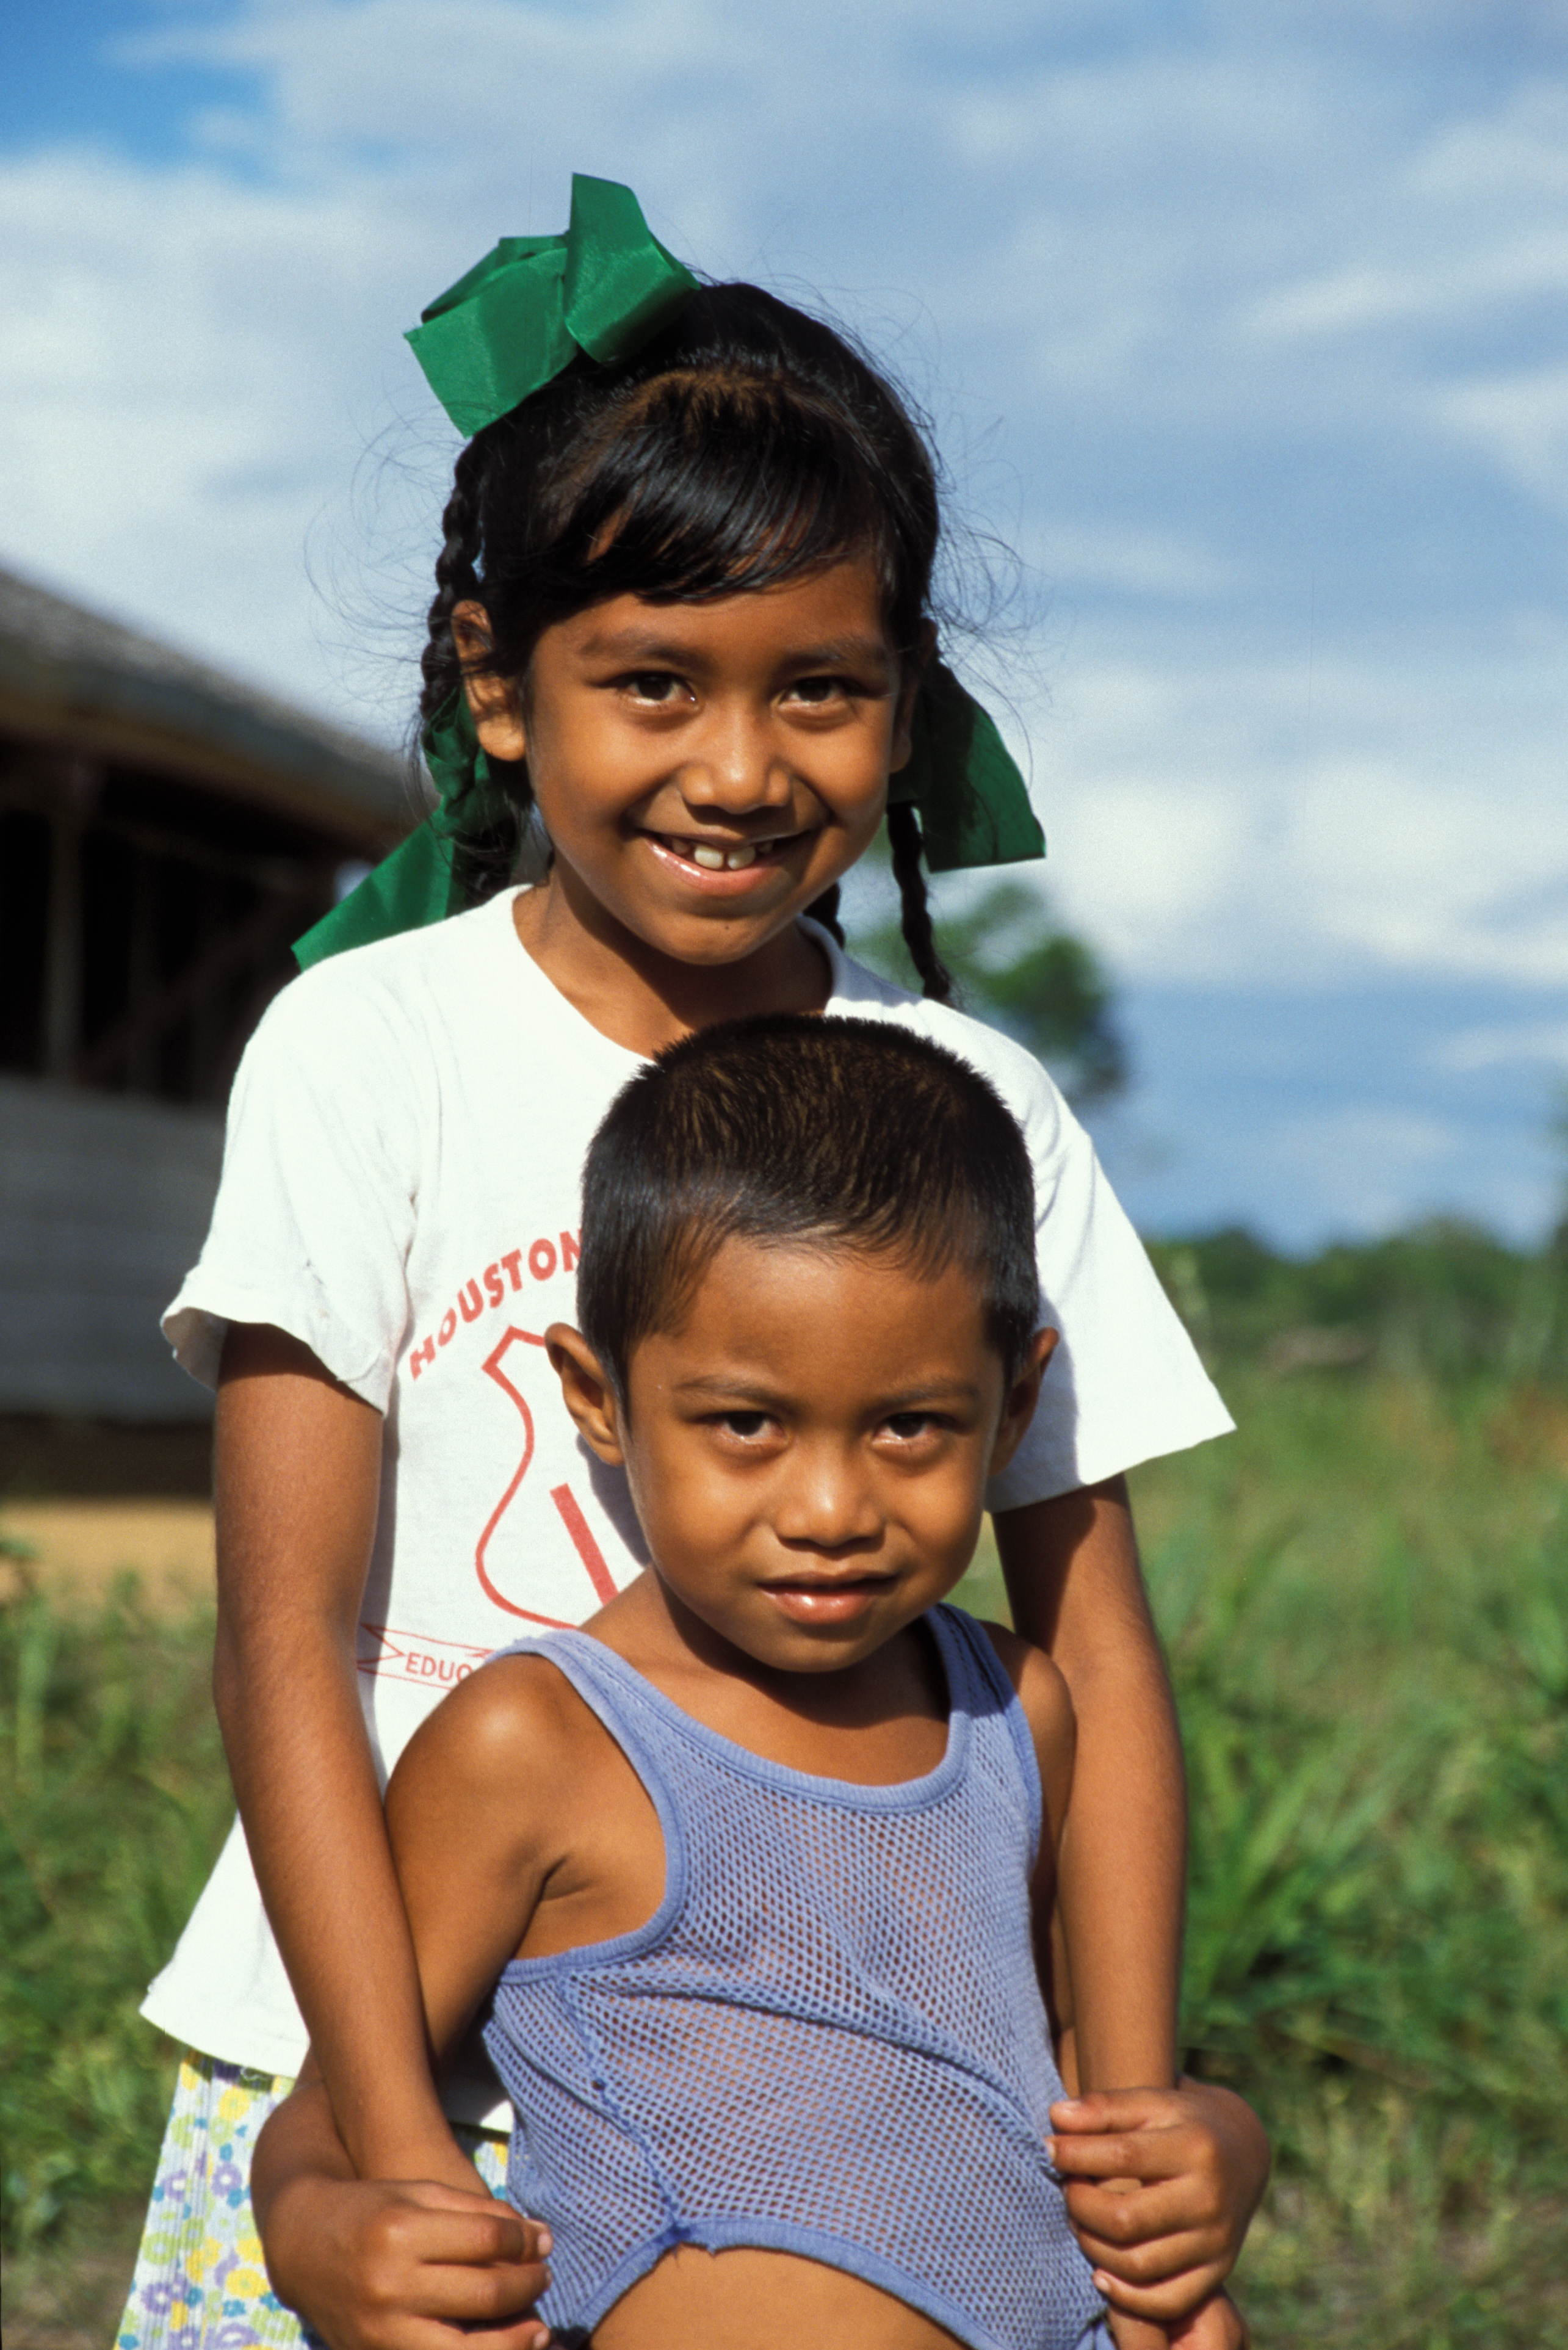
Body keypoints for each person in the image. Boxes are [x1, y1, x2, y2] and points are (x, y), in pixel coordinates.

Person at [116, 175, 1265, 2350]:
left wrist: (1140, 2125)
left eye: (818, 691)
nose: (739, 768)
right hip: (387, 2036)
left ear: (904, 705)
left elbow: (1096, 1662)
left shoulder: (971, 1104)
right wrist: (374, 2166)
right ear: (505, 687)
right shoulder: (374, 1051)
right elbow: (290, 1640)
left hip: (816, 2056)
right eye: (653, 682)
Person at [251, 1013, 1241, 2350]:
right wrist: (317, 2231)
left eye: (910, 1424)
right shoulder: (536, 1741)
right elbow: (335, 2107)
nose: (830, 1506)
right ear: (598, 1399)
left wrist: (1222, 2141)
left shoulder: (1012, 1711)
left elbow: (1062, 2071)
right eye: (746, 1423)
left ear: (1014, 1410)